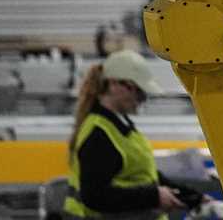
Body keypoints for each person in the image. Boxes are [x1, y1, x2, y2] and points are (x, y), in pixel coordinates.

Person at [63, 50, 187, 219]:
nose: (141, 99)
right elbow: (95, 196)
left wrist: (192, 197)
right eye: (137, 91)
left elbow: (144, 174)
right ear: (114, 84)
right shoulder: (99, 134)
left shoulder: (120, 125)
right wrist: (153, 196)